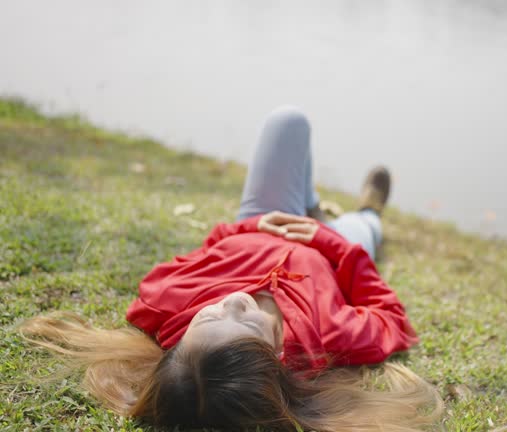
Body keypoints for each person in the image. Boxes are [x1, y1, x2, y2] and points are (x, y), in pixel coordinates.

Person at [21, 106, 443, 431]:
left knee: (287, 121)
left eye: (209, 317)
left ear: (179, 341)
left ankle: (307, 199)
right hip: (332, 250)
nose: (232, 302)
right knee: (363, 228)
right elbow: (390, 317)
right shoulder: (325, 338)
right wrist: (329, 241)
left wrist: (248, 227)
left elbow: (204, 253)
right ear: (276, 354)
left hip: (265, 217)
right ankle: (369, 210)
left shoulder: (171, 307)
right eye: (247, 321)